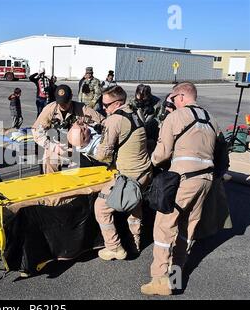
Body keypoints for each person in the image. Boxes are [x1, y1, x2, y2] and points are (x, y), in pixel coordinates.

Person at [141, 82, 221, 296]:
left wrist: (151, 159)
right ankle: (175, 279)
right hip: (206, 180)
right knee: (187, 230)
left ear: (182, 97)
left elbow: (161, 154)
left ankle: (159, 279)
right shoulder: (212, 119)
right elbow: (222, 154)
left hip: (183, 180)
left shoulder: (175, 117)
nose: (172, 102)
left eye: (173, 99)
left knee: (164, 227)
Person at [93, 86, 152, 261]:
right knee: (134, 206)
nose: (104, 108)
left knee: (101, 207)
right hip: (145, 172)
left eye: (106, 105)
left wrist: (86, 148)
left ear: (117, 103)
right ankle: (135, 243)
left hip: (129, 175)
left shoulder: (115, 119)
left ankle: (114, 248)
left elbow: (103, 154)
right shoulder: (136, 113)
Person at [32, 84, 104, 173]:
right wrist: (53, 147)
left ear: (71, 98)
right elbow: (36, 131)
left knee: (87, 168)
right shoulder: (50, 109)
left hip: (77, 147)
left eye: (65, 103)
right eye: (60, 103)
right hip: (56, 145)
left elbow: (103, 121)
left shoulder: (81, 108)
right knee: (49, 162)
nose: (63, 106)